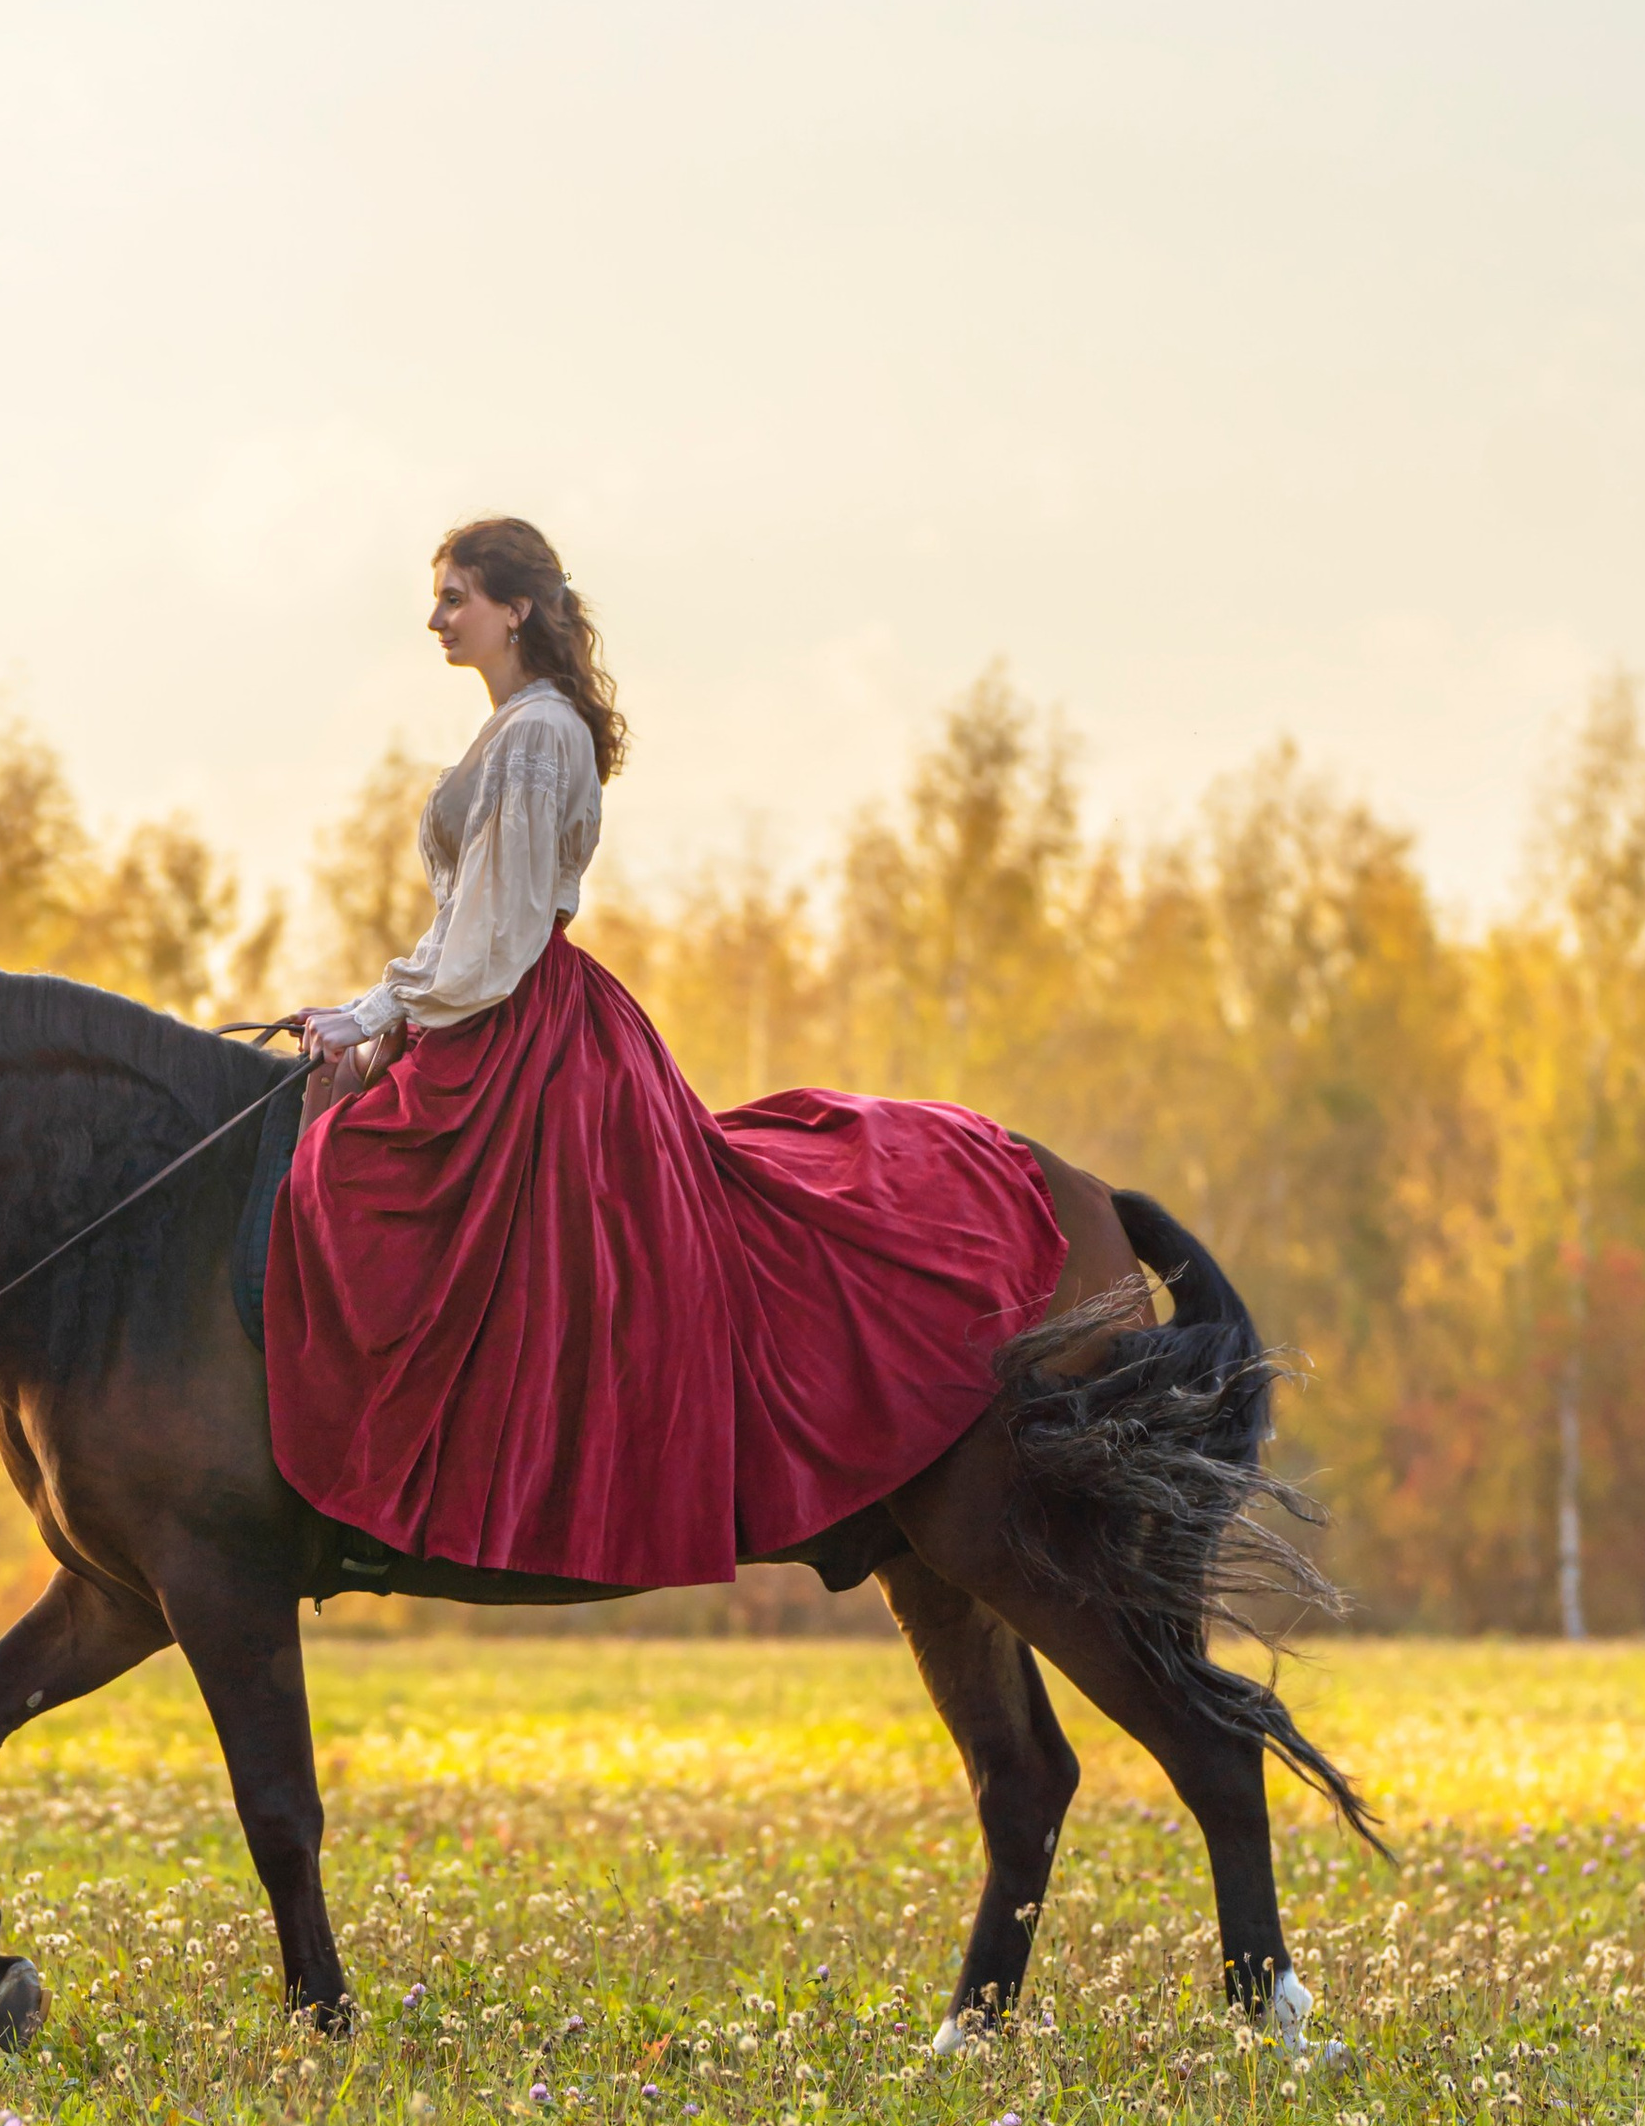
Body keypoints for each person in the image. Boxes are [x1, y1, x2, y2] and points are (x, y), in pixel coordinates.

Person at [265, 516, 1069, 1589]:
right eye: (440, 596)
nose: (436, 618)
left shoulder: (538, 735)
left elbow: (495, 937)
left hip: (522, 1028)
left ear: (514, 609)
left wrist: (374, 1015)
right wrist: (381, 1014)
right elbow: (471, 922)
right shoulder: (514, 732)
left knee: (359, 1184)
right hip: (497, 1011)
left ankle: (415, 1490)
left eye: (455, 596)